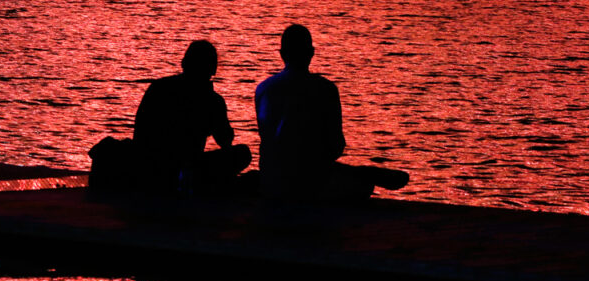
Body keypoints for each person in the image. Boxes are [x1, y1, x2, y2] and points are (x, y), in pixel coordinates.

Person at [255, 24, 407, 201]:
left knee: (330, 171)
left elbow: (269, 138)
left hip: (272, 180)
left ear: (281, 54)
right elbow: (335, 146)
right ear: (311, 53)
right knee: (364, 186)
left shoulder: (263, 89)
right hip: (310, 183)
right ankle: (362, 175)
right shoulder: (325, 89)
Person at [89, 40, 250, 196]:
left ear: (184, 63)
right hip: (181, 170)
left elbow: (140, 134)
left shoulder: (158, 88)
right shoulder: (212, 100)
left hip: (146, 167)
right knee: (242, 153)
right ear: (213, 69)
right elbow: (225, 140)